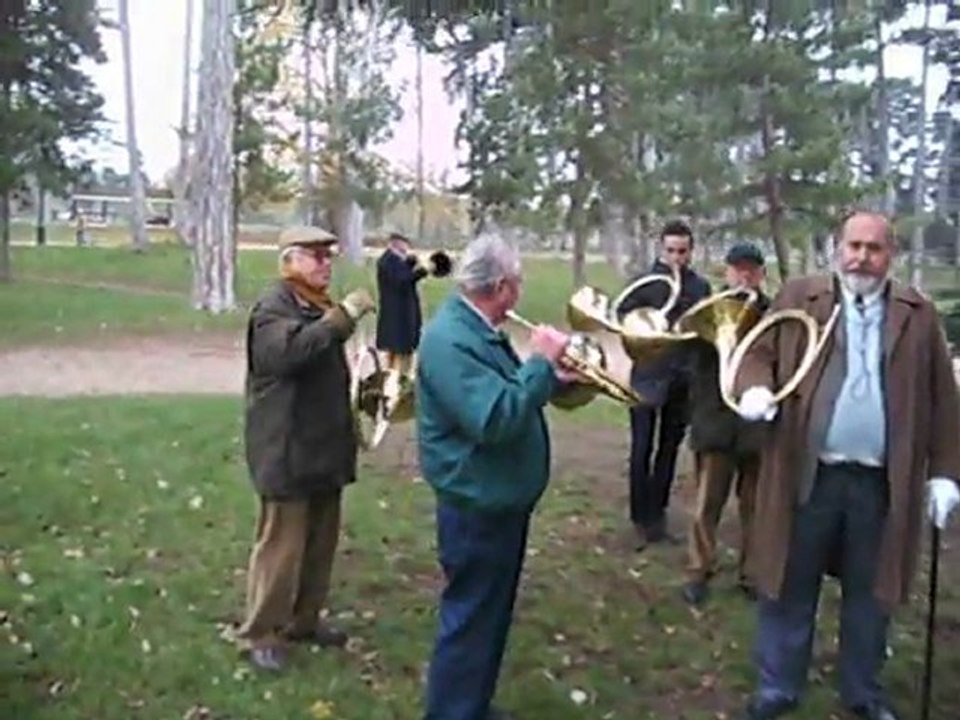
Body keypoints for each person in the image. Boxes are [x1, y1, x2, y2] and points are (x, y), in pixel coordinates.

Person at [733, 211, 960, 720]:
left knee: (872, 592)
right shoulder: (801, 297)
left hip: (880, 483)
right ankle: (778, 685)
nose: (861, 257)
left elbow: (943, 400)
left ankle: (863, 690)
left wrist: (946, 472)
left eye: (873, 248)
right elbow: (757, 353)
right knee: (790, 581)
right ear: (838, 248)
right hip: (807, 475)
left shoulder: (917, 314)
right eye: (853, 246)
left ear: (890, 255)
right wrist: (755, 388)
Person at [415, 235, 575, 720]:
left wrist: (551, 379)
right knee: (470, 618)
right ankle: (451, 712)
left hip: (497, 498)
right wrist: (540, 363)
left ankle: (471, 705)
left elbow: (501, 390)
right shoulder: (449, 339)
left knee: (489, 617)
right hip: (476, 504)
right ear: (502, 286)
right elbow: (495, 418)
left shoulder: (475, 328)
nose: (520, 293)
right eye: (517, 283)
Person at [236, 225, 376, 672]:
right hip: (287, 447)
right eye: (316, 256)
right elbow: (289, 353)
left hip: (322, 447)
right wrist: (342, 318)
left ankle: (303, 622)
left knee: (320, 543)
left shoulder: (315, 304)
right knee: (282, 547)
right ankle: (261, 632)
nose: (325, 263)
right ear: (290, 260)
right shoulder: (273, 307)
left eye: (328, 256)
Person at [683, 242, 771, 607]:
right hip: (716, 422)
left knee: (756, 506)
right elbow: (693, 362)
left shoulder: (772, 314)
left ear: (761, 274)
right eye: (738, 269)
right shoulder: (708, 311)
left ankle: (752, 574)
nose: (745, 275)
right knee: (707, 505)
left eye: (752, 269)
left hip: (756, 428)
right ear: (727, 272)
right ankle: (698, 571)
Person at [617, 219, 711, 548]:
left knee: (668, 450)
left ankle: (657, 517)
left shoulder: (700, 287)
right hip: (646, 375)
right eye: (671, 250)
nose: (676, 258)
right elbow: (623, 316)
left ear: (691, 251)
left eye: (682, 251)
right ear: (662, 249)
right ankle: (639, 517)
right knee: (641, 448)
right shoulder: (645, 283)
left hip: (682, 378)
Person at [376, 231, 428, 376]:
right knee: (397, 356)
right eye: (404, 243)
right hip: (396, 318)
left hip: (403, 319)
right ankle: (396, 381)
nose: (406, 247)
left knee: (404, 354)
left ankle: (399, 378)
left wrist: (411, 263)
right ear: (396, 243)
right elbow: (402, 280)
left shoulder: (398, 261)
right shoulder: (387, 261)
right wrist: (422, 271)